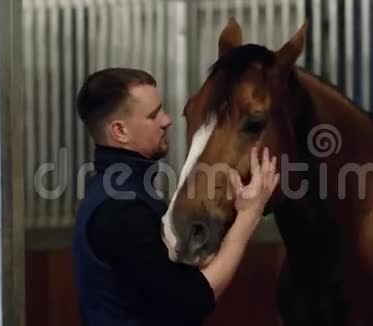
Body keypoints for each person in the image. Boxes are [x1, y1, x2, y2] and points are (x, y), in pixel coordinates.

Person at [72, 67, 279, 326]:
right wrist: (248, 216)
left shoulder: (119, 192)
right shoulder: (121, 209)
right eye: (153, 115)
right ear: (120, 131)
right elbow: (188, 302)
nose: (167, 120)